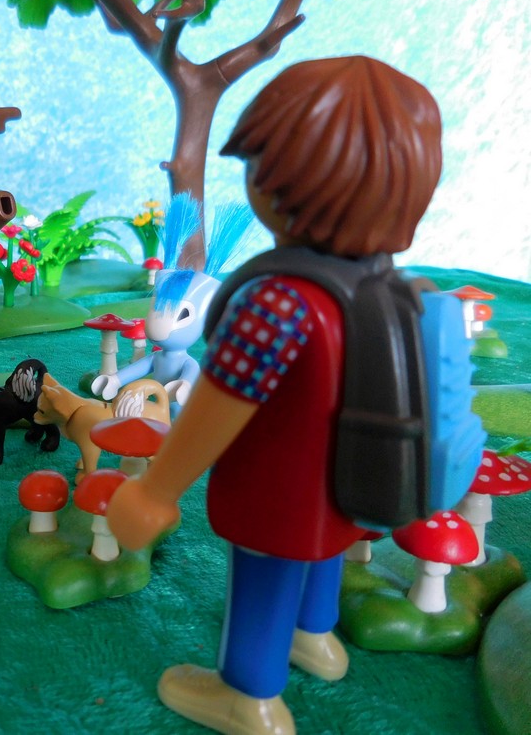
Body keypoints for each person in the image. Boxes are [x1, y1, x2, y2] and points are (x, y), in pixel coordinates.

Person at [106, 55, 443, 735]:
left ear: (284, 181)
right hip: (356, 475)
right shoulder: (393, 285)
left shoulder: (278, 302)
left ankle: (248, 694)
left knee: (264, 575)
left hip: (279, 487)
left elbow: (220, 402)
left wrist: (156, 490)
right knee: (323, 554)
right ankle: (314, 638)